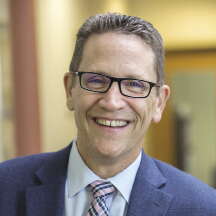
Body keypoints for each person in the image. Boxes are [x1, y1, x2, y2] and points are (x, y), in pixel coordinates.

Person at [0, 13, 216, 216]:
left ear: (159, 102)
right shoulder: (5, 187)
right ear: (70, 90)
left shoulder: (203, 207)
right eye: (96, 80)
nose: (112, 102)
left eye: (134, 84)